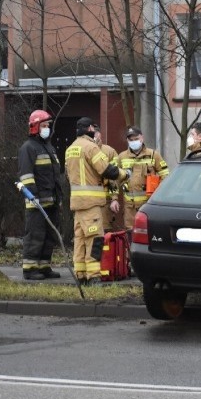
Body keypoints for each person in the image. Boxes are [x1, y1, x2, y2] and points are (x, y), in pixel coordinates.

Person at [65, 118, 130, 285]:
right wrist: (125, 174)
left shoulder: (71, 148)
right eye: (93, 127)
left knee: (79, 238)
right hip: (91, 202)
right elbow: (106, 169)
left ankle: (80, 274)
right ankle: (93, 276)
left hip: (77, 202)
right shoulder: (91, 147)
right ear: (89, 128)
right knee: (95, 238)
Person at [17, 109, 63, 280]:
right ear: (35, 127)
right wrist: (33, 196)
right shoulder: (28, 148)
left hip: (51, 200)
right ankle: (30, 268)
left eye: (48, 126)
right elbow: (26, 176)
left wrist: (59, 198)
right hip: (36, 201)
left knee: (49, 236)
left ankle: (44, 266)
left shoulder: (48, 147)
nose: (47, 129)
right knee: (35, 235)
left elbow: (54, 175)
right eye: (43, 126)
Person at [117, 126, 170, 232]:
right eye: (131, 140)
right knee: (130, 233)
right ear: (127, 141)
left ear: (142, 138)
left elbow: (165, 176)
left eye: (136, 139)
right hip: (130, 208)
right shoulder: (122, 157)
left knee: (148, 231)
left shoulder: (153, 155)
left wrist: (160, 196)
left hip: (148, 205)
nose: (133, 142)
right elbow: (114, 181)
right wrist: (114, 199)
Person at [94, 130, 122, 232]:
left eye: (94, 135)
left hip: (104, 201)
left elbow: (114, 177)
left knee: (105, 233)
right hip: (86, 203)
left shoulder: (109, 152)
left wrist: (114, 199)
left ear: (99, 136)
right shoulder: (81, 150)